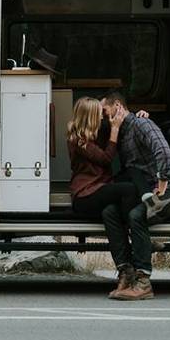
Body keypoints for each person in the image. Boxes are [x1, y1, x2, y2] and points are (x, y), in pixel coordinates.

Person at [100, 90, 170, 300]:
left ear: (117, 106)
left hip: (162, 190)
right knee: (109, 212)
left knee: (136, 216)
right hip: (140, 191)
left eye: (105, 111)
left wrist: (162, 186)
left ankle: (143, 281)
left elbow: (163, 151)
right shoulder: (119, 132)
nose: (103, 116)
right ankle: (126, 272)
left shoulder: (142, 124)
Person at [66, 97, 141, 299]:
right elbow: (106, 157)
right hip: (85, 195)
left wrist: (140, 117)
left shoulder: (93, 132)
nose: (103, 115)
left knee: (110, 213)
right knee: (128, 190)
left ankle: (125, 270)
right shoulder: (78, 139)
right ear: (90, 116)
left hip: (98, 190)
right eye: (98, 113)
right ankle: (138, 236)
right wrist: (115, 130)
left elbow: (118, 123)